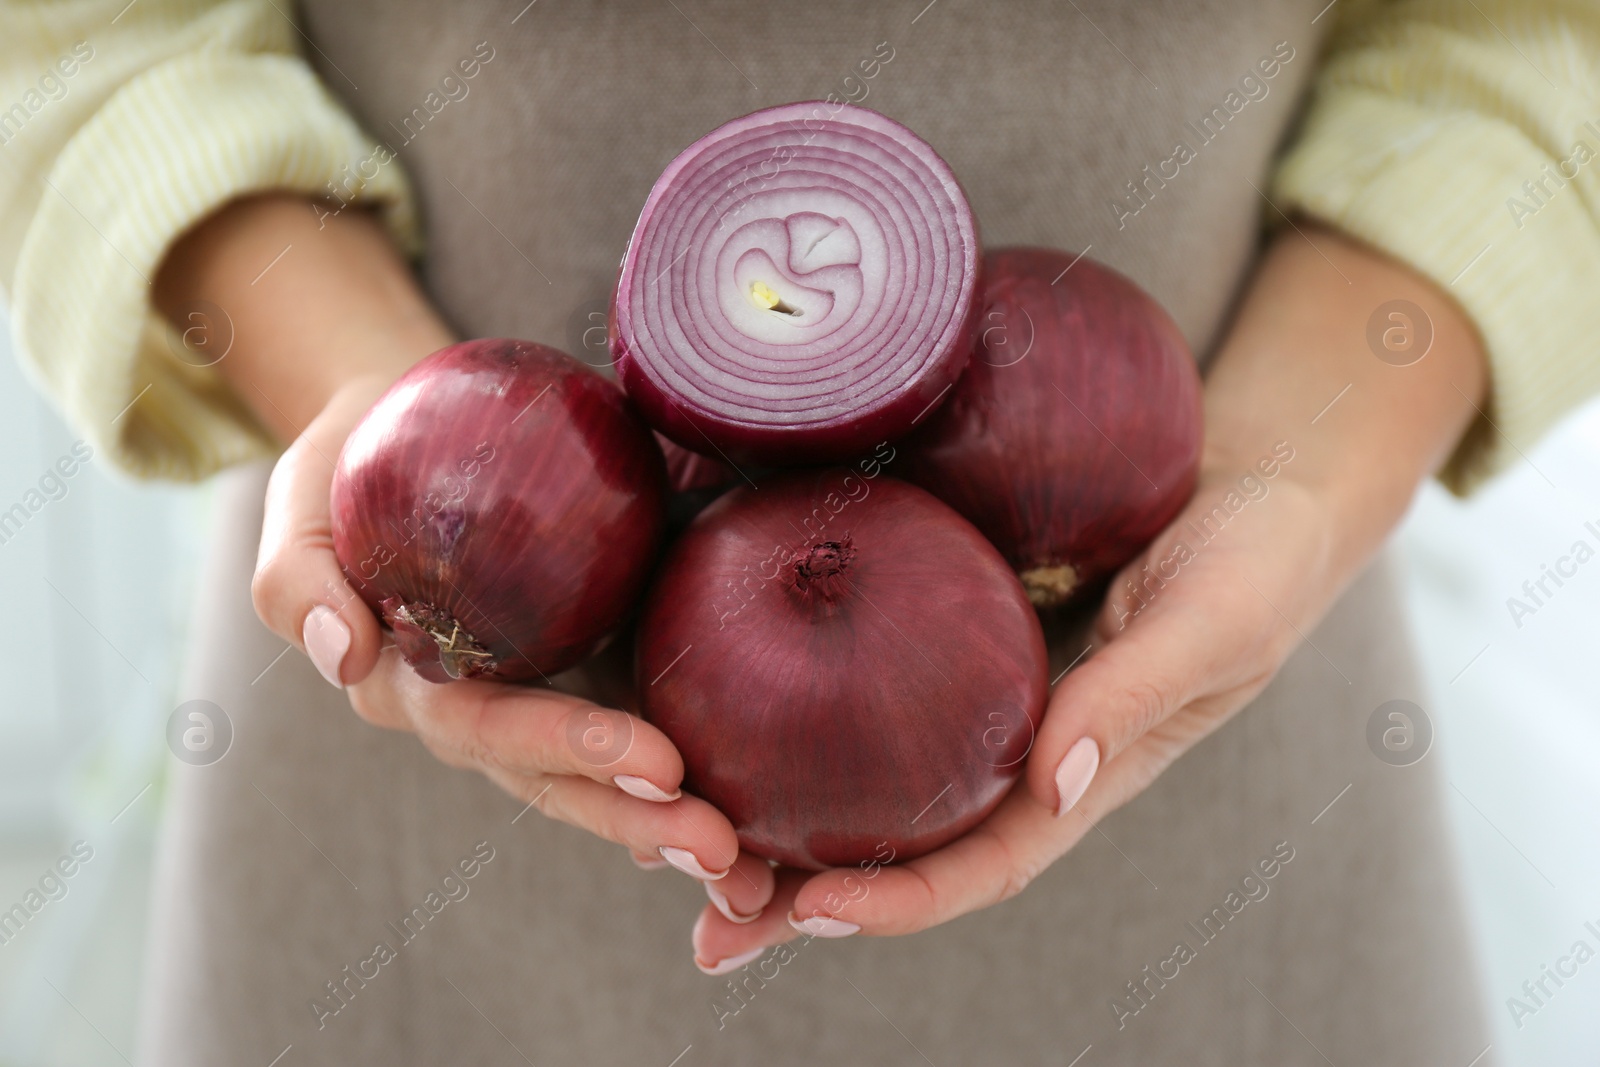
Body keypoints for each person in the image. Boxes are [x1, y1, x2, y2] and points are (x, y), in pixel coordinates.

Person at [3, 0, 1596, 1062]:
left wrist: (1299, 474)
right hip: (409, 826)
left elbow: (1529, 44)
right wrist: (364, 393)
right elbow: (84, 35)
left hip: (1215, 756)